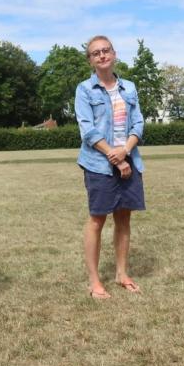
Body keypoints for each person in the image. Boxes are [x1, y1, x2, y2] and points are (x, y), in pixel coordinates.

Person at [75, 35, 145, 300]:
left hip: (129, 158)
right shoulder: (84, 90)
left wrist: (125, 151)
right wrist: (115, 157)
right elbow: (88, 130)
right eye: (96, 53)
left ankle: (121, 274)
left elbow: (138, 124)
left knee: (124, 218)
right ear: (90, 60)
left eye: (106, 50)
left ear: (114, 54)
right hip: (98, 164)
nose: (102, 55)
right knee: (97, 219)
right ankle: (94, 281)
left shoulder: (129, 87)